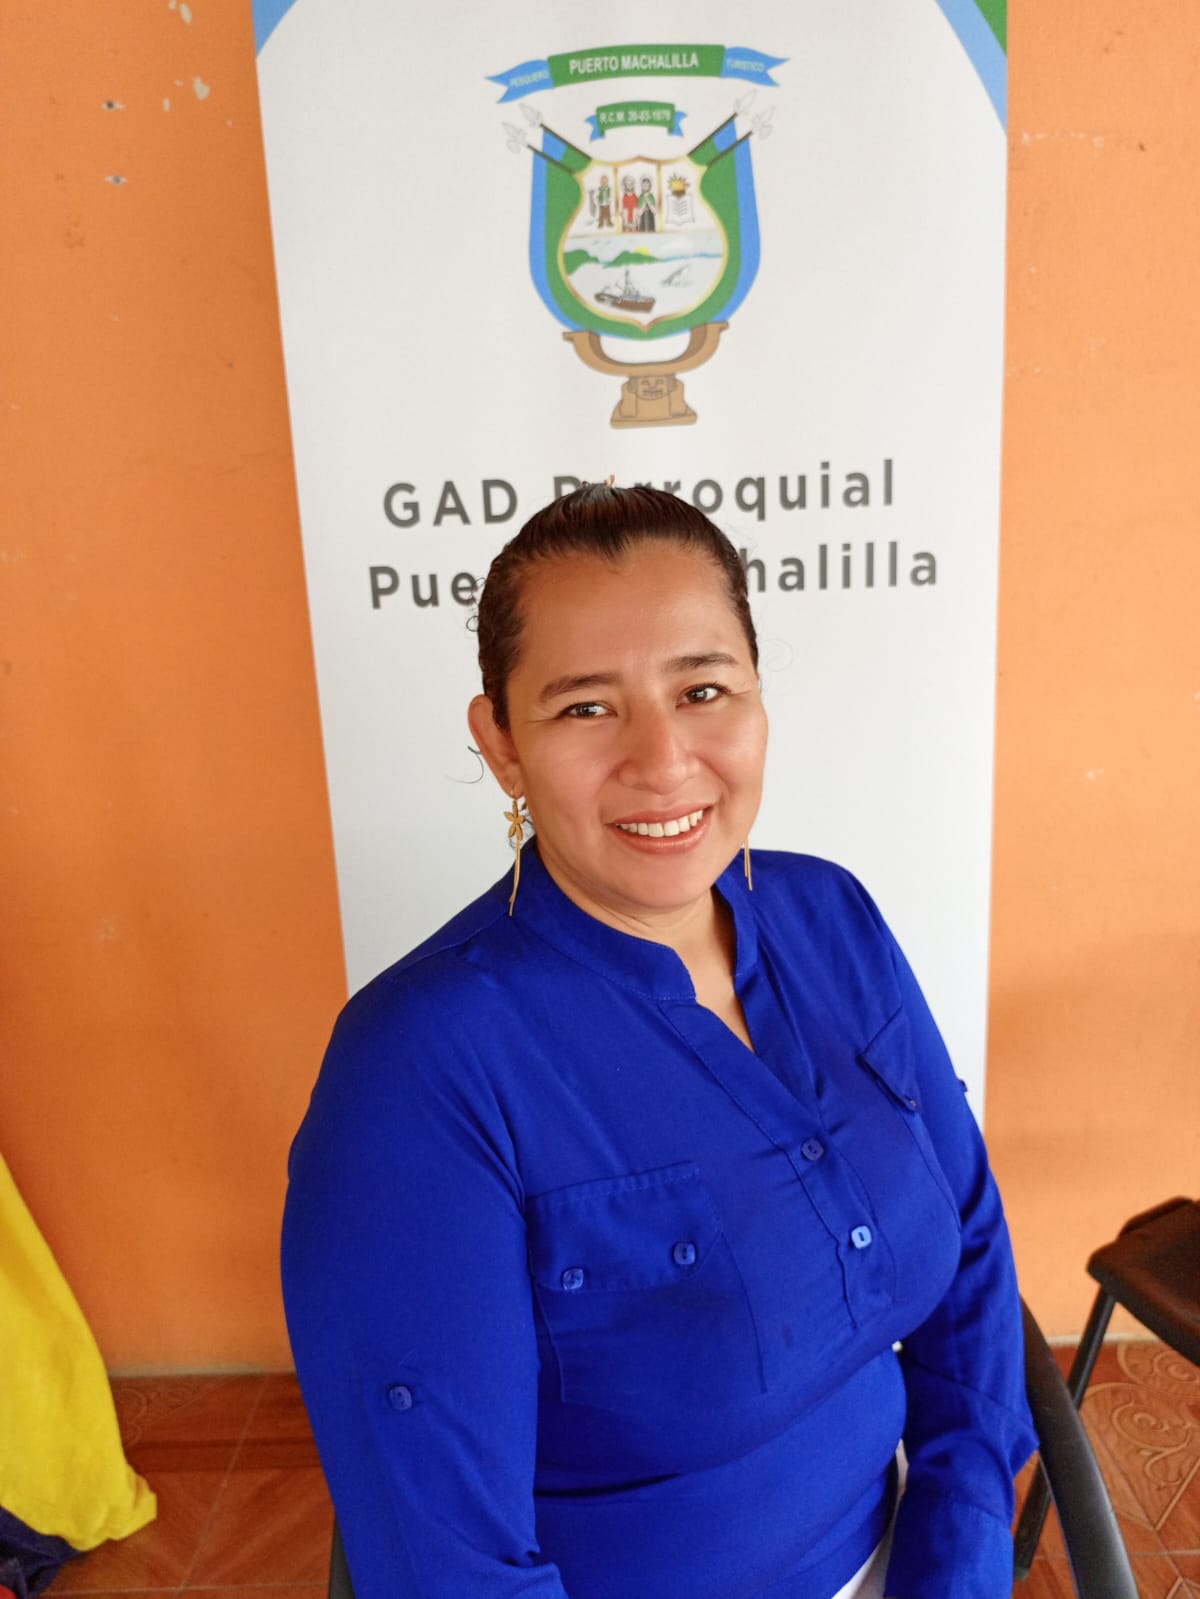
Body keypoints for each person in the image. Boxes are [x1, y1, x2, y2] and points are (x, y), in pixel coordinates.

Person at [282, 484, 1035, 1599]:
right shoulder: (420, 1071)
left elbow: (968, 1244)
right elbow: (450, 1564)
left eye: (703, 690)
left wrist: (960, 1552)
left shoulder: (832, 918)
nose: (665, 758)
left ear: (759, 697)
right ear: (501, 743)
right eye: (587, 708)